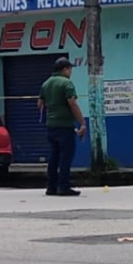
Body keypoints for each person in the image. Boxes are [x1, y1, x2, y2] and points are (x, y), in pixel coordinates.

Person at [37, 57, 85, 196]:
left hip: (51, 126)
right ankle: (63, 186)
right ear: (65, 69)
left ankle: (51, 187)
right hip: (65, 125)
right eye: (70, 69)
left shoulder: (46, 83)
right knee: (66, 157)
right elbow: (72, 104)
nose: (71, 72)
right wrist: (82, 122)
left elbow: (39, 104)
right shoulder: (66, 83)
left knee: (54, 156)